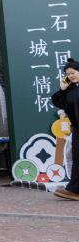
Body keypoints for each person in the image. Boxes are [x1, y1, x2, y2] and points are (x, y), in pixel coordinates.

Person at [52, 58, 79, 200]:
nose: (70, 76)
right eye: (68, 74)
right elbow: (59, 103)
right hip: (77, 130)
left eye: (73, 72)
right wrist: (62, 89)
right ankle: (74, 190)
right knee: (77, 159)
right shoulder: (71, 90)